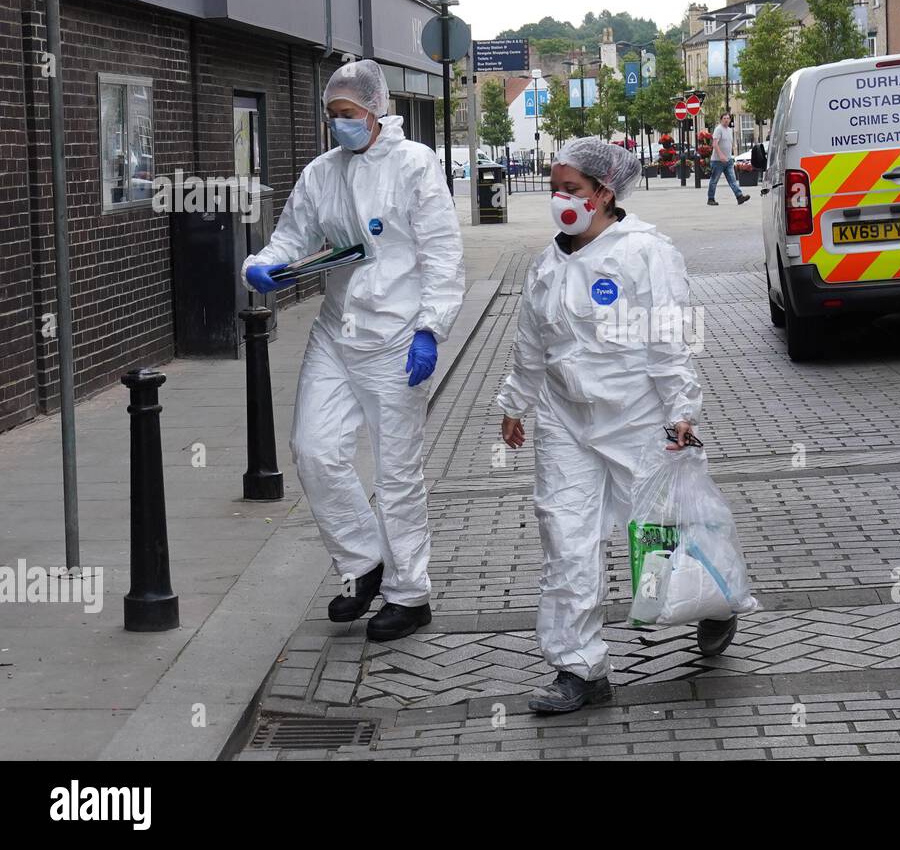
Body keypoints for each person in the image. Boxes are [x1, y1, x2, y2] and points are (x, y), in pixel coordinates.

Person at [497, 137, 736, 714]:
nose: (560, 199)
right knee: (566, 540)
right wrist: (515, 402)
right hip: (565, 423)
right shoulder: (548, 264)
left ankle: (713, 602)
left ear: (605, 193)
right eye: (555, 188)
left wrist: (681, 410)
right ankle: (579, 668)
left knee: (661, 529)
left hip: (637, 418)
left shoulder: (644, 252)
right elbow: (531, 342)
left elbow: (668, 337)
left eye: (571, 189)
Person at [242, 60, 465, 643]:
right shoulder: (321, 175)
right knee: (313, 449)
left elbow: (442, 253)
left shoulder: (415, 166)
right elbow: (291, 236)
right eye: (332, 116)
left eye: (348, 115)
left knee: (396, 472)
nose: (338, 126)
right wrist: (261, 265)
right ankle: (363, 562)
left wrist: (430, 328)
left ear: (375, 110)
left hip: (396, 338)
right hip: (337, 333)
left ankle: (409, 594)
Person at [706, 112, 750, 207]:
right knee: (714, 180)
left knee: (732, 180)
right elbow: (715, 144)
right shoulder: (718, 129)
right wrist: (721, 156)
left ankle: (739, 197)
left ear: (730, 120)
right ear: (721, 119)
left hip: (728, 160)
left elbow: (730, 144)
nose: (726, 120)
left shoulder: (730, 130)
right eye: (724, 118)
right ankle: (711, 198)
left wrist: (733, 156)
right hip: (718, 161)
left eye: (728, 118)